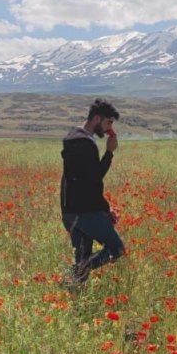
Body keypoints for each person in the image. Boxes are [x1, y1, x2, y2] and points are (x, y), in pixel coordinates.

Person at [60, 98, 124, 285]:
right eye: (108, 122)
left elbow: (82, 181)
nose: (109, 128)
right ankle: (69, 276)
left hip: (71, 210)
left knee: (83, 255)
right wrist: (109, 153)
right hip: (85, 211)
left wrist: (104, 207)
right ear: (97, 119)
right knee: (116, 247)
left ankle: (74, 293)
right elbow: (94, 178)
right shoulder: (84, 144)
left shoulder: (73, 137)